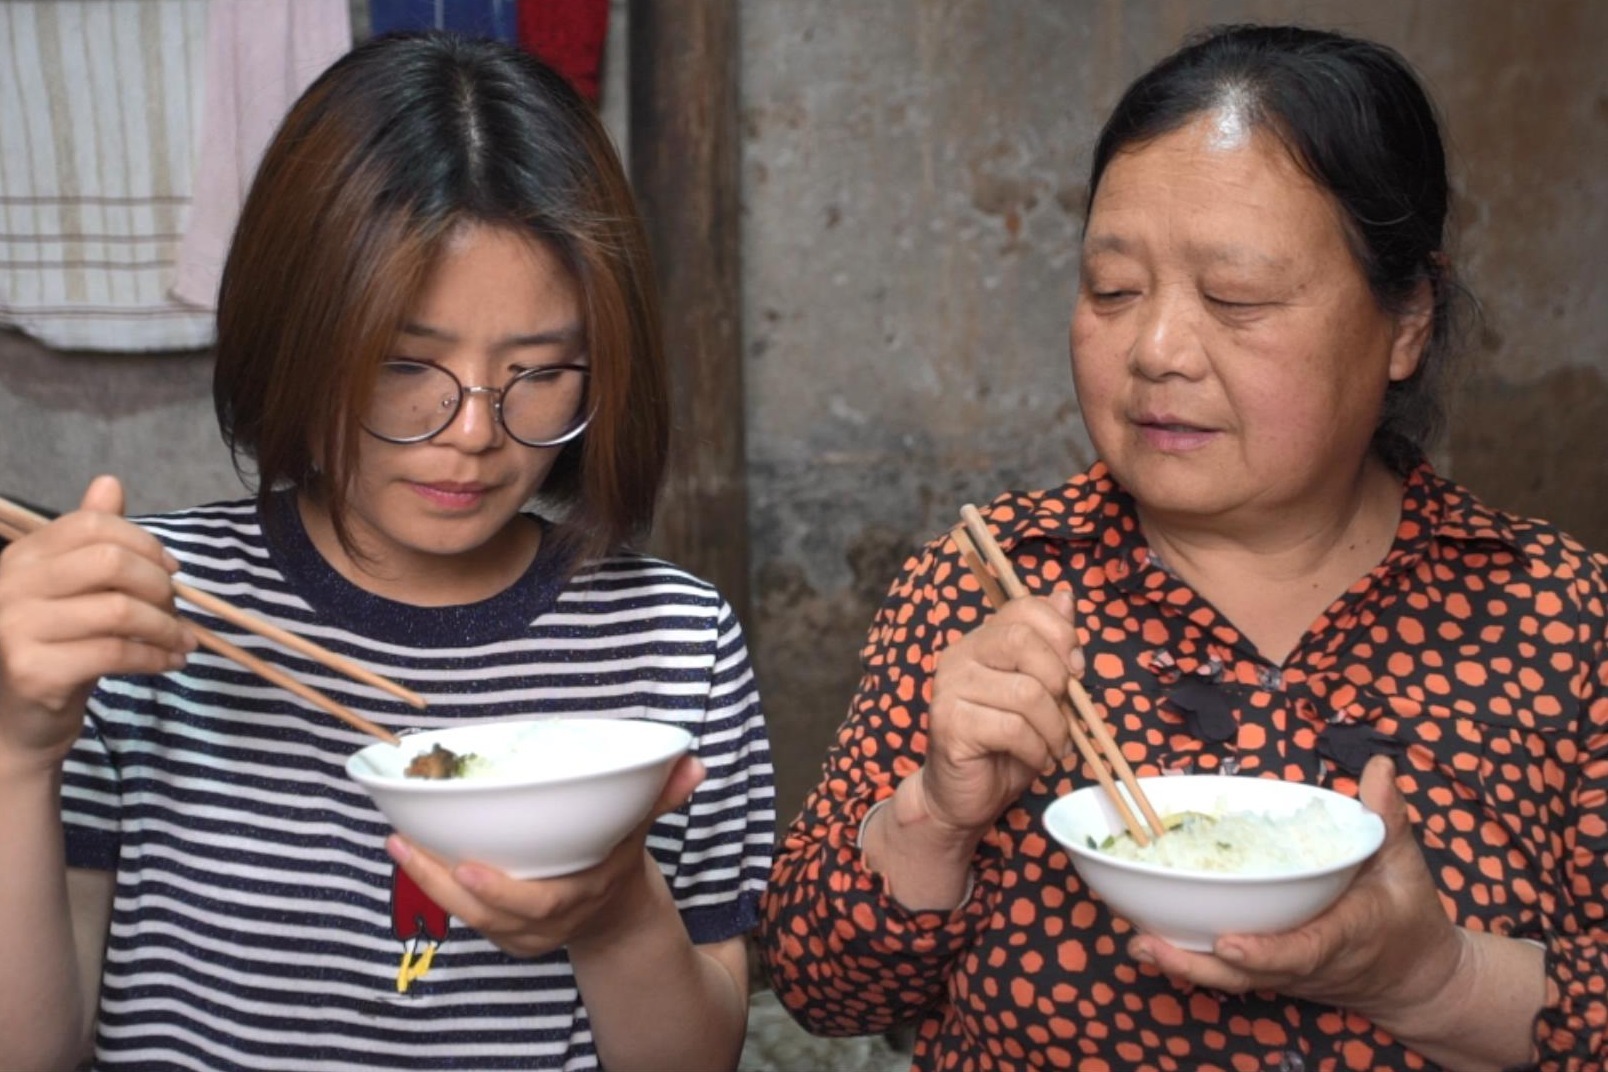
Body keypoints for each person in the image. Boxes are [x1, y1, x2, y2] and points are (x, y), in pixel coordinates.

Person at [758, 23, 1605, 1072]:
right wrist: (932, 815)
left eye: (1236, 298)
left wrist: (1433, 979)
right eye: (1113, 290)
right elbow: (818, 986)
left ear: (1407, 320)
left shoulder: (1563, 621)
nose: (1156, 349)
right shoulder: (986, 589)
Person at [0, 31, 774, 1072]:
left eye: (542, 369)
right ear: (300, 328)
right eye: (408, 362)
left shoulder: (675, 641)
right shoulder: (142, 614)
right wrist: (15, 755)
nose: (471, 431)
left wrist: (619, 913)